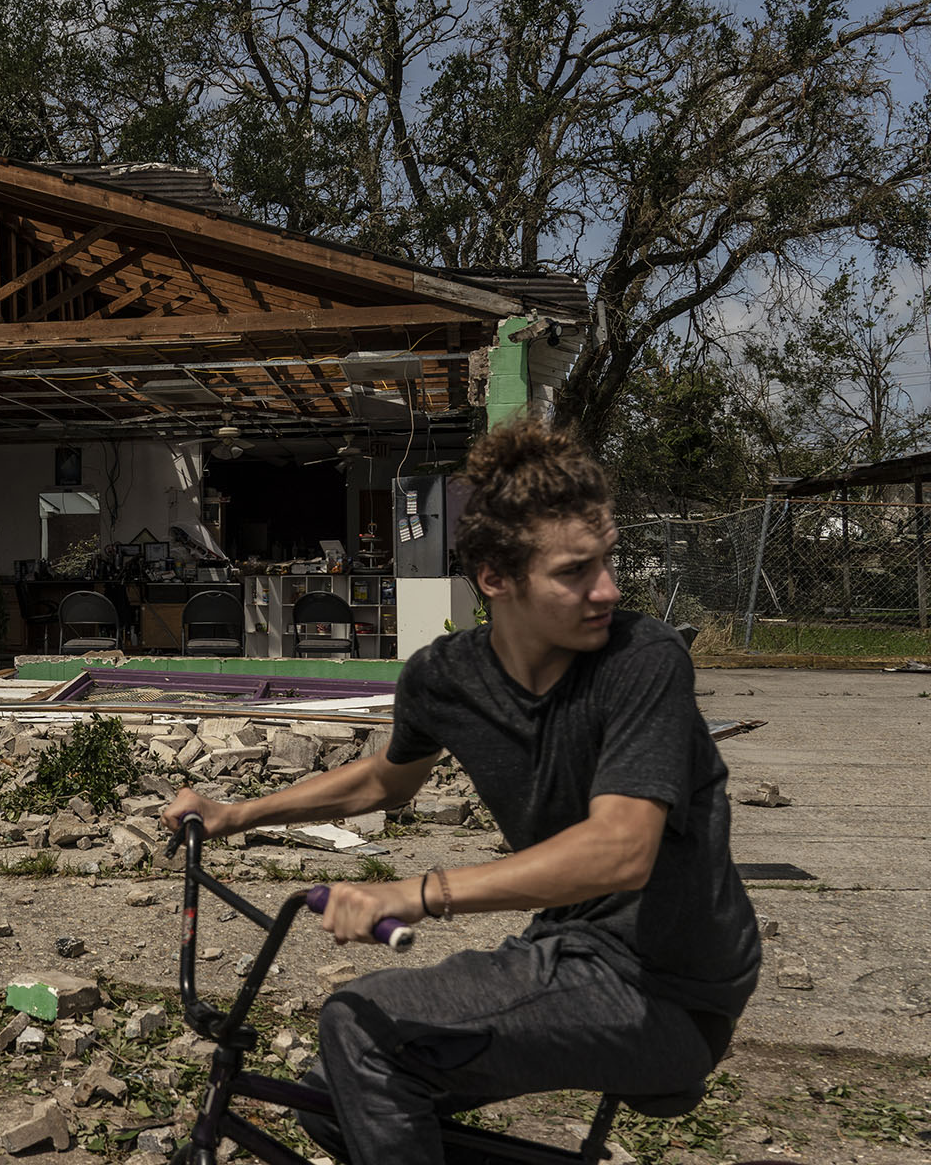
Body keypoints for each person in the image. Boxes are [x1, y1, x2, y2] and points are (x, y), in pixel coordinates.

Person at [161, 419, 760, 1164]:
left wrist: (415, 892)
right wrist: (234, 815)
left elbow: (622, 849)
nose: (606, 589)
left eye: (607, 562)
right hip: (567, 951)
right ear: (495, 578)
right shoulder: (445, 679)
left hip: (669, 989)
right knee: (333, 1099)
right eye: (575, 571)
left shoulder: (642, 661)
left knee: (358, 1024)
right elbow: (386, 779)